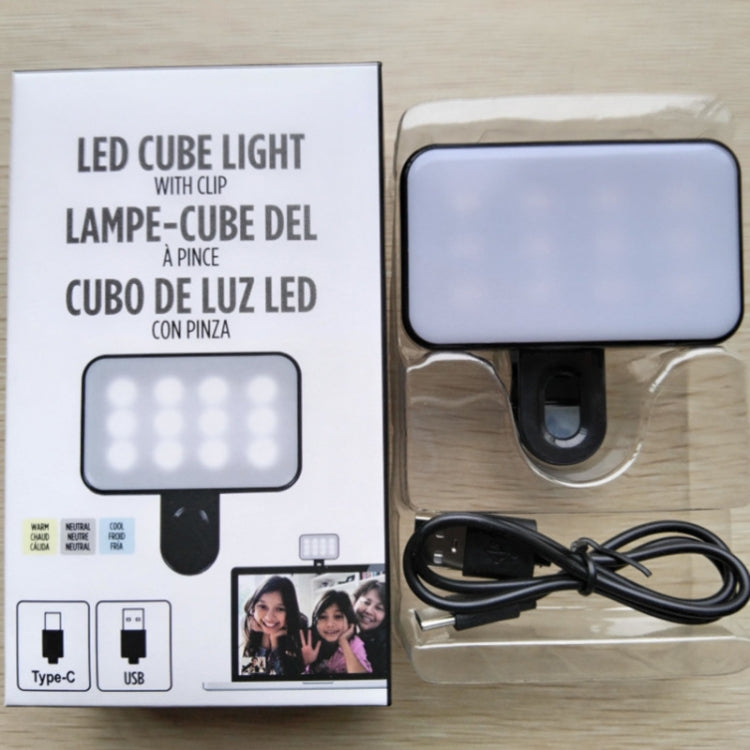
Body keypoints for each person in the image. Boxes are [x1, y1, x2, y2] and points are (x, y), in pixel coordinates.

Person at [240, 575, 305, 676]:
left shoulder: (301, 638)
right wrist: (264, 641)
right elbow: (252, 680)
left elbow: (288, 682)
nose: (269, 617)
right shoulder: (251, 630)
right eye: (263, 606)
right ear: (253, 609)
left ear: (289, 612)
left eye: (280, 609)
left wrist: (276, 646)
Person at [301, 589, 372, 675]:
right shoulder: (307, 642)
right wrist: (305, 663)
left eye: (338, 616)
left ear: (349, 620)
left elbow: (362, 679)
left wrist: (343, 642)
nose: (330, 624)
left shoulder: (354, 644)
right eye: (323, 617)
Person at [352, 579, 388, 676]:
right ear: (354, 602)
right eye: (366, 602)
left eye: (379, 608)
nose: (369, 611)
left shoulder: (384, 646)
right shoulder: (352, 634)